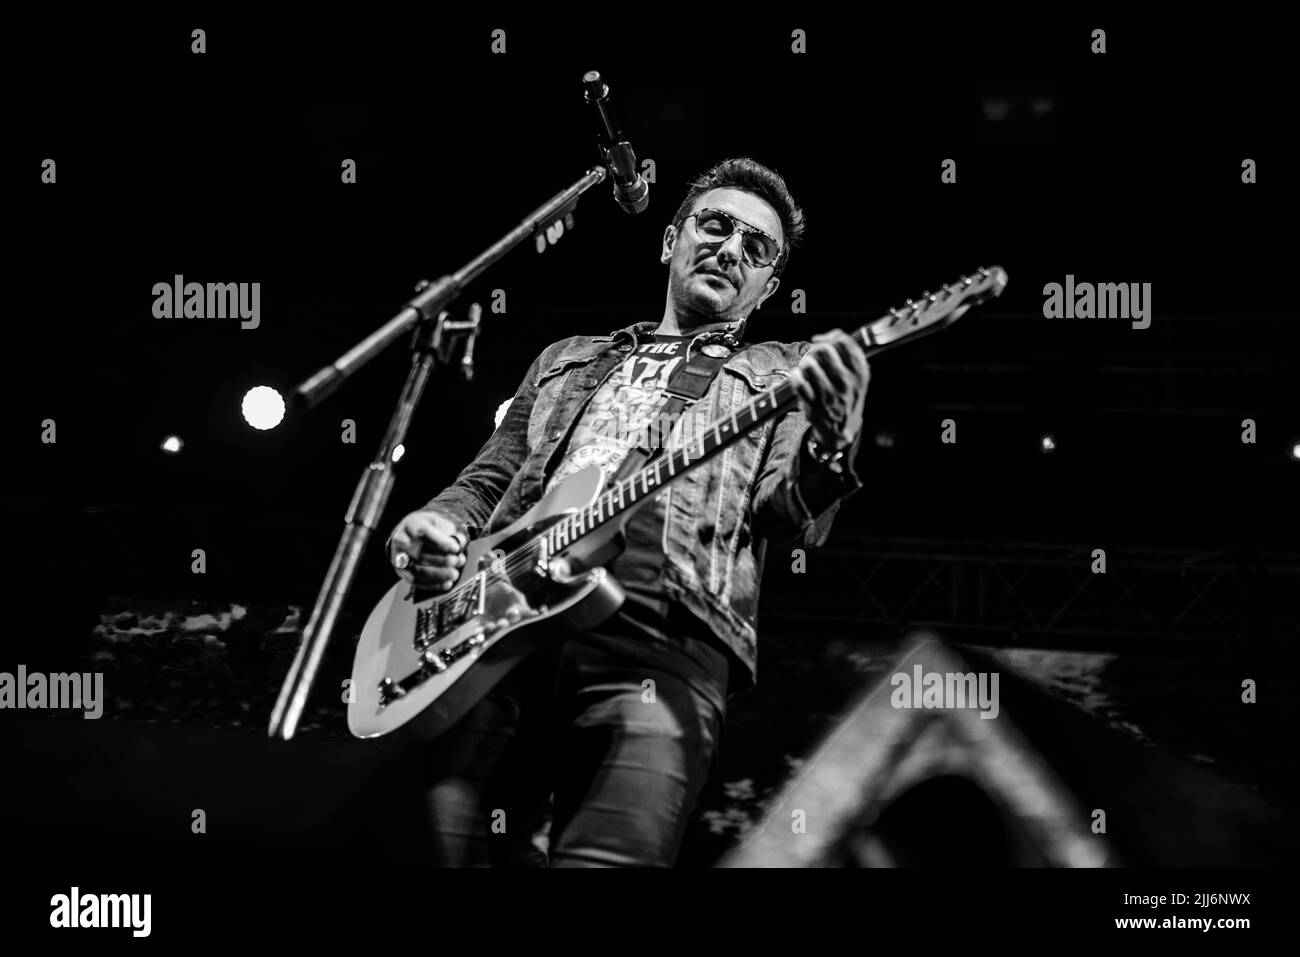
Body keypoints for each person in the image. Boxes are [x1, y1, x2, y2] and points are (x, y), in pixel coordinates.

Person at [386, 157, 870, 866]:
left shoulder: (781, 373)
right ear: (669, 240)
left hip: (665, 642)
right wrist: (433, 525)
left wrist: (832, 442)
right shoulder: (565, 360)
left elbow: (786, 514)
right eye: (714, 225)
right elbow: (485, 483)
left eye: (756, 248)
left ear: (770, 288)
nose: (730, 248)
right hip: (493, 637)